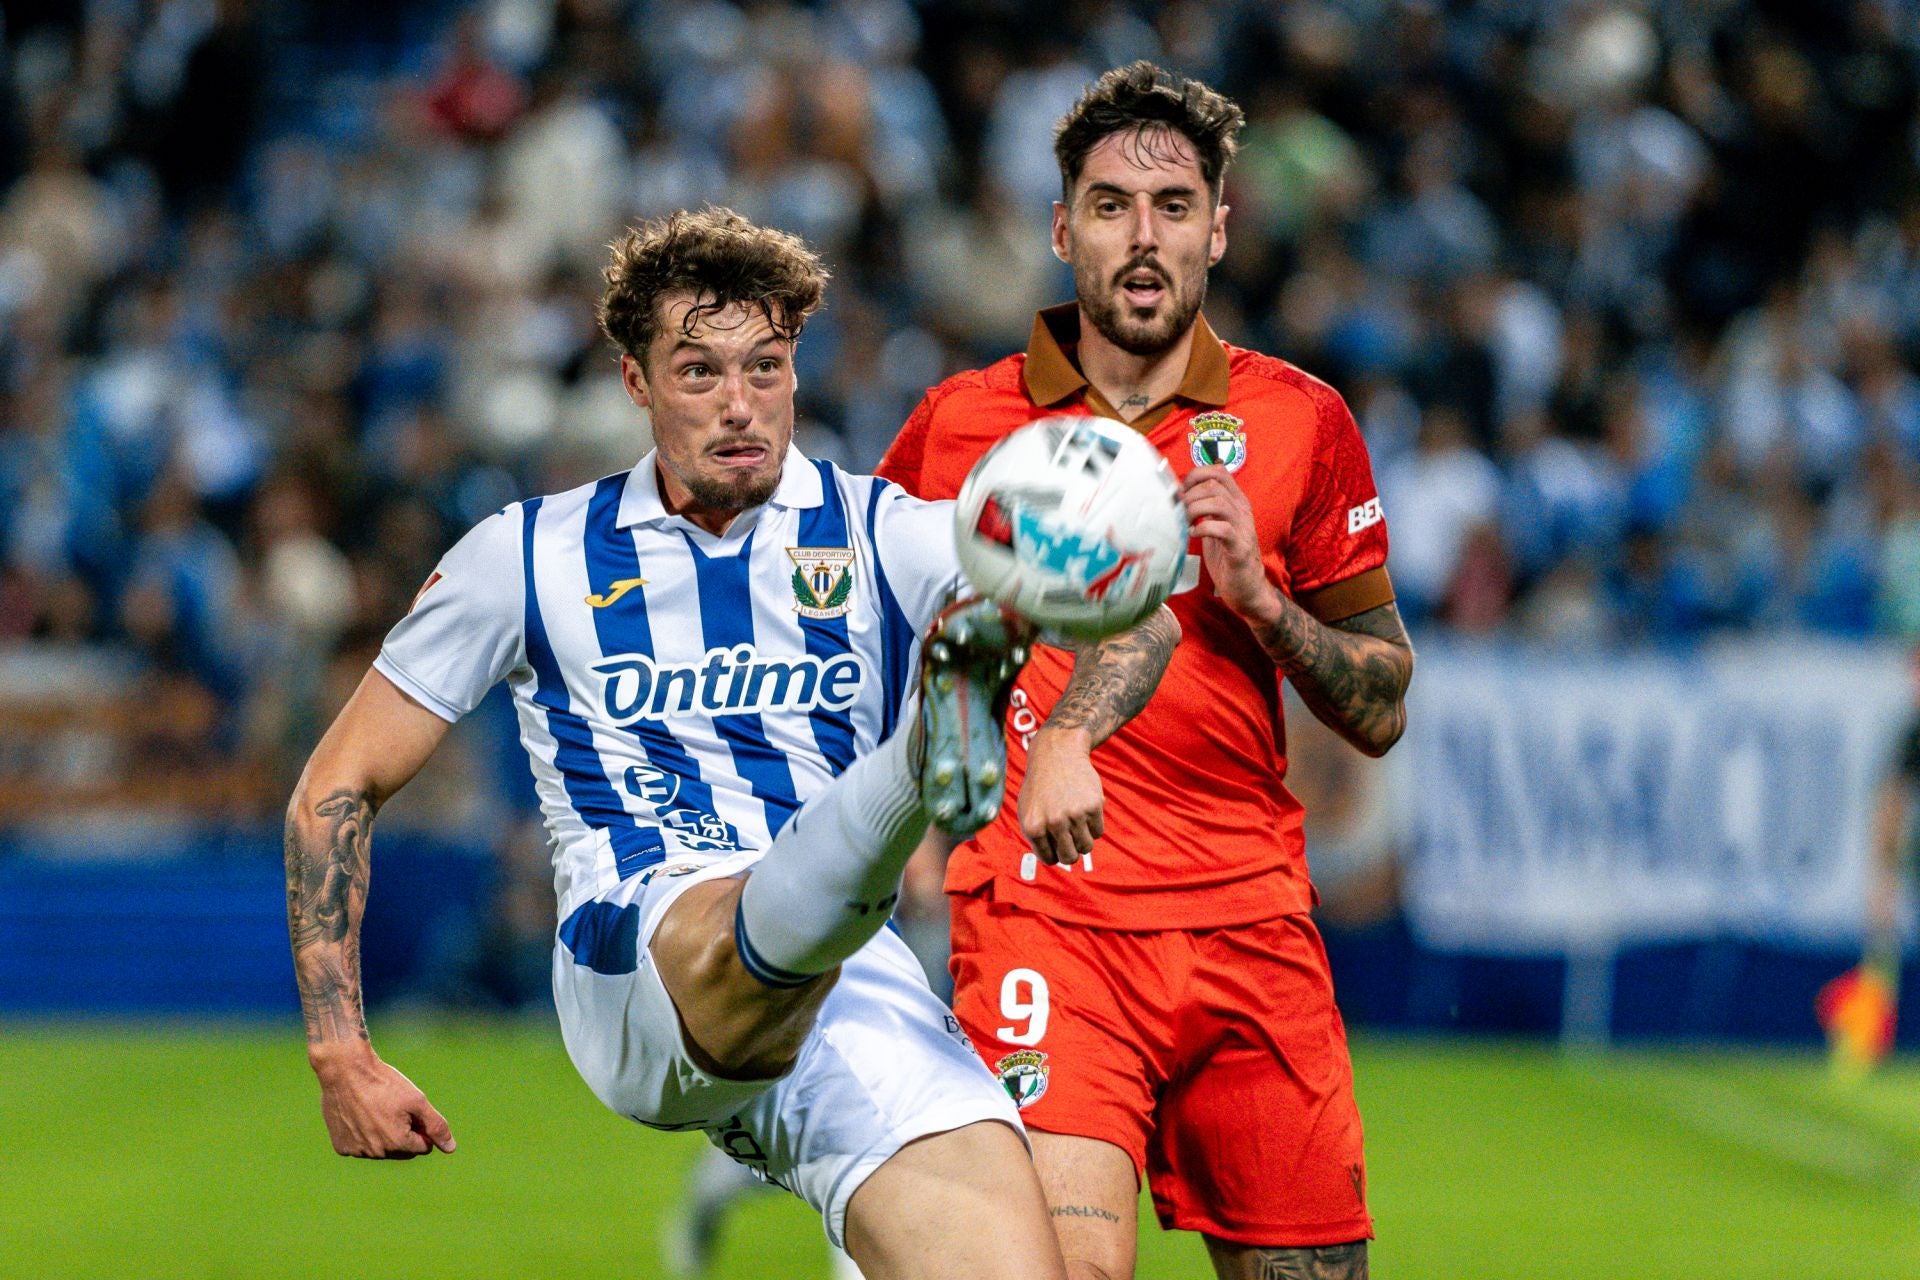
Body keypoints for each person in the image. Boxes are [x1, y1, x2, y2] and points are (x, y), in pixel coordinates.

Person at [282, 207, 1180, 1279]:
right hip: (638, 952)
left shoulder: (879, 528)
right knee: (742, 907)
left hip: (852, 983)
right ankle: (924, 753)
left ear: (798, 371)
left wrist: (1072, 736)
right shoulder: (525, 555)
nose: (741, 404)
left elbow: (1141, 606)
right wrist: (342, 1050)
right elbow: (335, 784)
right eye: (700, 371)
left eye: (766, 366)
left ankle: (932, 738)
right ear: (635, 381)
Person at [878, 64, 1414, 1280]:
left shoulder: (1302, 422)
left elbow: (1382, 698)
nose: (1143, 235)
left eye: (1174, 205)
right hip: (1044, 918)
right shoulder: (960, 425)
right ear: (1062, 226)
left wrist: (1269, 610)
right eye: (1110, 204)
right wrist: (929, 810)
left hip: (1251, 917)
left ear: (1220, 227)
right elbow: (895, 651)